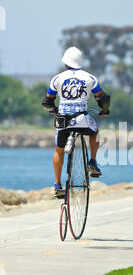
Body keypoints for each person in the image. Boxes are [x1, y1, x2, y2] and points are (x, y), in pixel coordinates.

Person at [41, 46, 110, 197]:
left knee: (59, 151)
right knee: (95, 132)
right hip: (82, 120)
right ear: (80, 62)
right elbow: (103, 98)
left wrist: (54, 110)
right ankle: (92, 161)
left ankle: (58, 185)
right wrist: (104, 110)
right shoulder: (90, 78)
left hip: (62, 120)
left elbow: (46, 102)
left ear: (66, 63)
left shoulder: (57, 78)